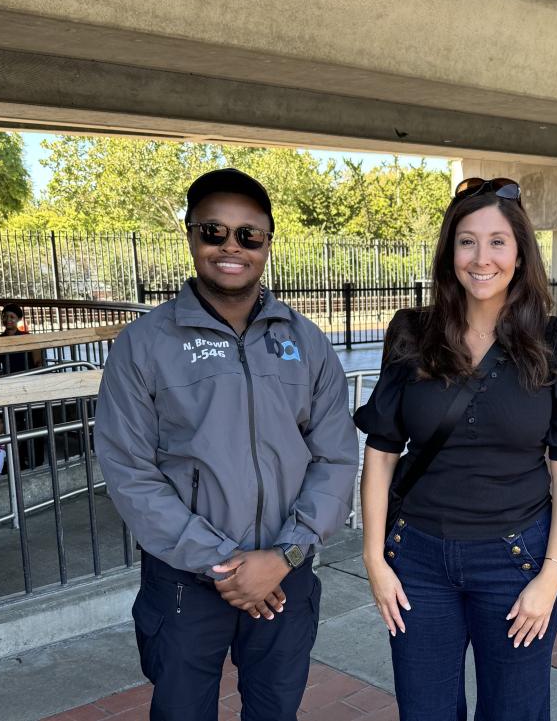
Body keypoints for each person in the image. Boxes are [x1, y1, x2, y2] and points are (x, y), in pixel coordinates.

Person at [94, 168, 359, 721]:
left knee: (274, 712)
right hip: (185, 585)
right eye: (213, 232)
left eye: (248, 234)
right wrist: (225, 566)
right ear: (191, 237)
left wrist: (285, 554)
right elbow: (129, 469)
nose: (230, 247)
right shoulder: (145, 344)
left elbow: (334, 457)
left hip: (286, 578)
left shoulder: (305, 342)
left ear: (267, 243)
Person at [354, 177, 557, 721]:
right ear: (449, 252)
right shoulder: (414, 333)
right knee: (425, 710)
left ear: (520, 253)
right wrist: (374, 558)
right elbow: (382, 453)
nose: (481, 257)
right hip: (416, 560)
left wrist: (552, 576)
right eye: (466, 241)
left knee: (515, 711)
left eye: (497, 241)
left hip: (516, 561)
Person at [0, 303, 41, 376]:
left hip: (29, 378)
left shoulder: (29, 338)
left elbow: (38, 362)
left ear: (19, 319)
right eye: (5, 316)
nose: (8, 320)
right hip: (8, 380)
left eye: (12, 317)